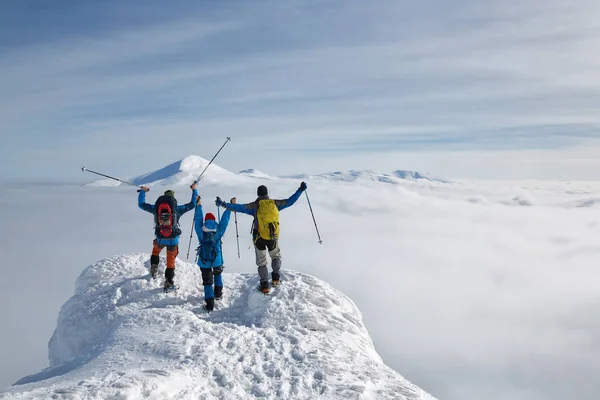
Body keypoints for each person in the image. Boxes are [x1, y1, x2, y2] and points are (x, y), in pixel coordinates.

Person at [216, 182, 307, 293]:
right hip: (272, 237)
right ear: (267, 193)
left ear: (258, 194)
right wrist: (300, 190)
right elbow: (290, 201)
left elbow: (239, 207)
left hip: (258, 237)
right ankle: (276, 279)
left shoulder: (254, 206)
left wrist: (223, 204)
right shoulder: (275, 204)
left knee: (262, 261)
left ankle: (264, 286)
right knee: (275, 256)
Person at [138, 183, 198, 292]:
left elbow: (141, 204)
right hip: (173, 240)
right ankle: (169, 284)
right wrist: (194, 190)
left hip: (160, 238)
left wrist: (143, 191)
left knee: (156, 251)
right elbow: (193, 204)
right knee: (170, 262)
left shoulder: (156, 209)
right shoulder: (177, 210)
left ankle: (154, 269)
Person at [194, 196, 232, 311]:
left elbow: (197, 219)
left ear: (205, 221)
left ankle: (209, 304)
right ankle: (218, 294)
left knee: (207, 282)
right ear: (214, 220)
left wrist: (199, 205)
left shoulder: (201, 230)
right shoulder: (218, 230)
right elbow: (225, 221)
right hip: (217, 258)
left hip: (204, 259)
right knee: (218, 274)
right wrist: (229, 207)